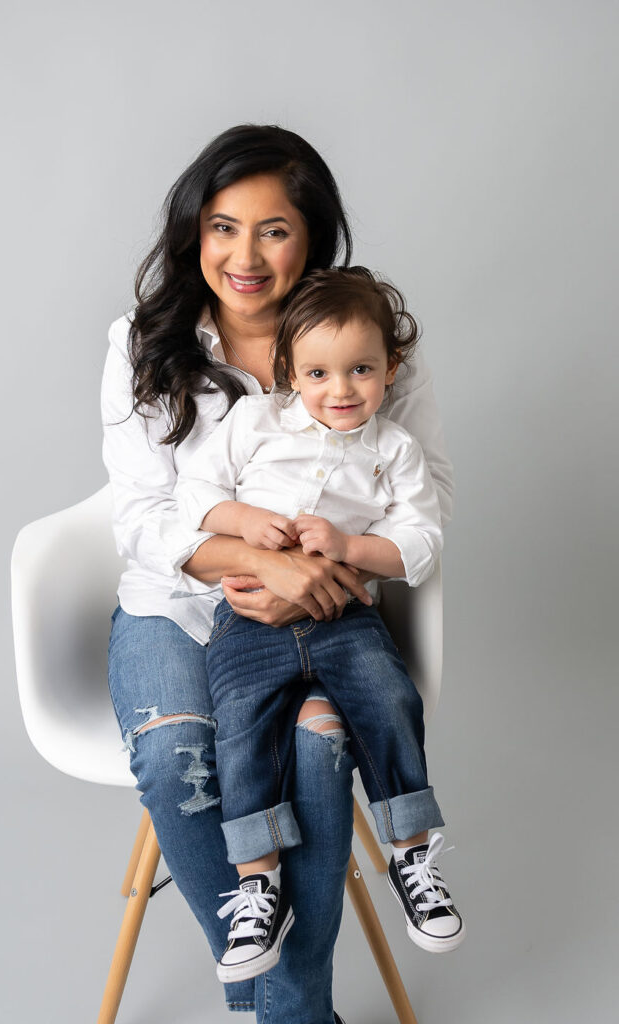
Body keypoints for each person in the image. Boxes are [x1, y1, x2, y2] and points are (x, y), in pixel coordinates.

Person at [102, 124, 454, 1024]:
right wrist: (262, 562)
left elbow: (421, 497)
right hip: (176, 609)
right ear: (193, 234)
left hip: (329, 612)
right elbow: (145, 522)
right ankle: (287, 1002)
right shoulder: (144, 344)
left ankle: (282, 1007)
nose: (243, 255)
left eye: (273, 229)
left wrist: (333, 569)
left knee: (317, 743)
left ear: (314, 236)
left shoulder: (364, 343)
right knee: (178, 752)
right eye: (222, 227)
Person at [174, 267, 464, 982]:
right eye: (318, 372)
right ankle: (257, 884)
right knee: (240, 727)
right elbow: (196, 492)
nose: (340, 390)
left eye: (360, 370)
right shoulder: (255, 423)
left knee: (388, 702)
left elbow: (421, 541)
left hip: (342, 615)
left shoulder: (392, 450)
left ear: (389, 369)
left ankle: (409, 854)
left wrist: (351, 548)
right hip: (250, 621)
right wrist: (245, 524)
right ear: (288, 373)